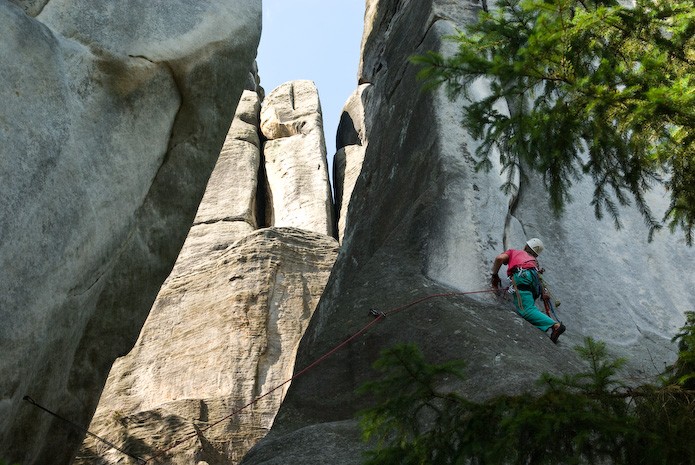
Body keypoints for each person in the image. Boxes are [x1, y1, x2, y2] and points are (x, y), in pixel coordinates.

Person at [490, 238, 566, 343]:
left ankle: (555, 326)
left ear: (526, 246)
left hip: (522, 275)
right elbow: (540, 279)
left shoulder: (514, 252)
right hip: (534, 282)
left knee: (526, 310)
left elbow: (499, 258)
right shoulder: (534, 262)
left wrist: (494, 275)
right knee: (529, 305)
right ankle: (550, 324)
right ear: (536, 254)